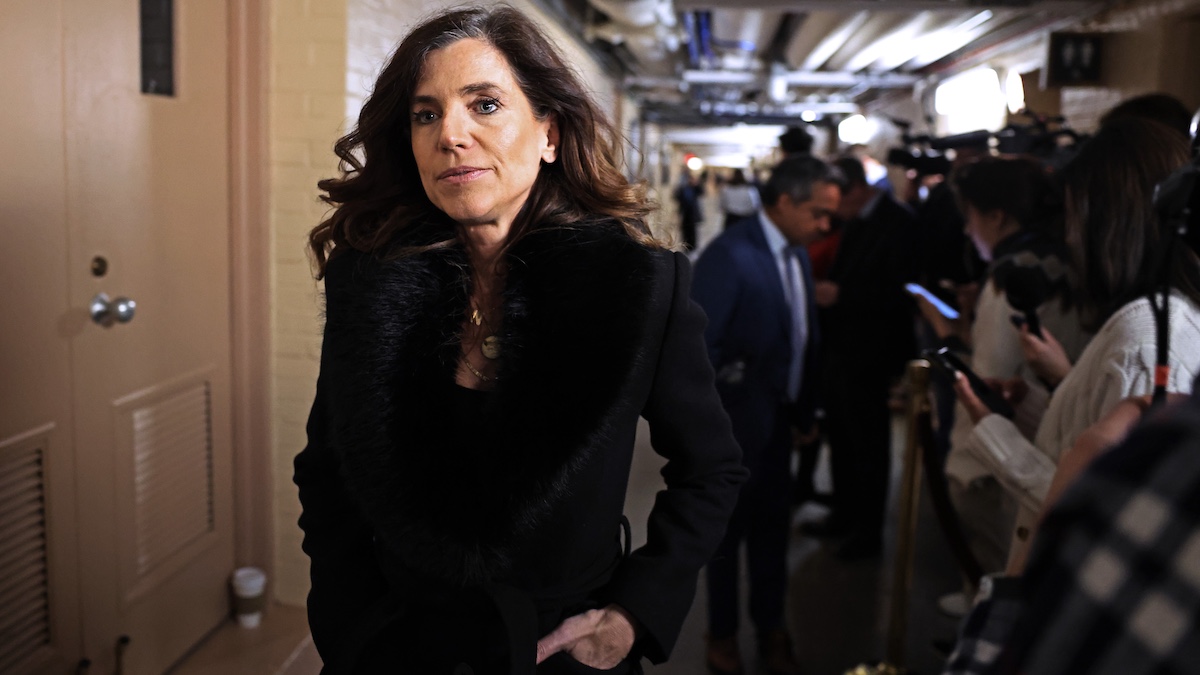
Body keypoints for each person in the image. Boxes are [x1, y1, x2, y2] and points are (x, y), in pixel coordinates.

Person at [293, 7, 747, 674]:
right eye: (426, 114)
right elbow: (325, 469)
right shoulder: (369, 282)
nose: (451, 134)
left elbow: (712, 470)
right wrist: (348, 621)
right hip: (398, 645)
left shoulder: (640, 289)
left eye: (484, 104)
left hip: (558, 650)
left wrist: (632, 612)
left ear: (550, 135)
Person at [954, 118, 1200, 575]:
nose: (1068, 235)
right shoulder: (1148, 321)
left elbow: (1102, 514)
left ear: (1109, 221)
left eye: (1075, 217)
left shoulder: (1148, 336)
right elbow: (1092, 431)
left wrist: (995, 433)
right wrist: (1030, 407)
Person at [916, 156, 1089, 615]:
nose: (968, 231)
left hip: (1005, 458)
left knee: (995, 575)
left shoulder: (1010, 276)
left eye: (970, 217)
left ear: (996, 216)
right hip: (1056, 439)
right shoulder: (1066, 262)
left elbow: (987, 377)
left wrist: (945, 328)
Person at [691, 155, 843, 675]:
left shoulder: (797, 254)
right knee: (726, 542)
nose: (826, 226)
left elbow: (801, 338)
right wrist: (710, 437)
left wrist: (805, 408)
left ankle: (772, 628)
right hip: (733, 435)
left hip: (780, 428)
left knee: (774, 537)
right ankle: (724, 634)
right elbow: (698, 354)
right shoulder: (729, 256)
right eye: (818, 213)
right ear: (783, 203)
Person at [804, 155, 920, 559]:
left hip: (873, 349)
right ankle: (843, 512)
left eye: (837, 200)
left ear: (856, 189)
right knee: (840, 432)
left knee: (868, 442)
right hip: (842, 343)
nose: (832, 212)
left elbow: (905, 292)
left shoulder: (899, 222)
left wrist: (843, 295)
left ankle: (867, 533)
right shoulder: (855, 219)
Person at [674, 170, 704, 250]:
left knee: (693, 230)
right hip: (685, 211)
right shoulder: (683, 188)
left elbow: (701, 192)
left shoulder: (695, 188)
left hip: (692, 212)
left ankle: (693, 245)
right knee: (685, 229)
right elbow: (677, 197)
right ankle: (686, 245)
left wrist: (697, 184)